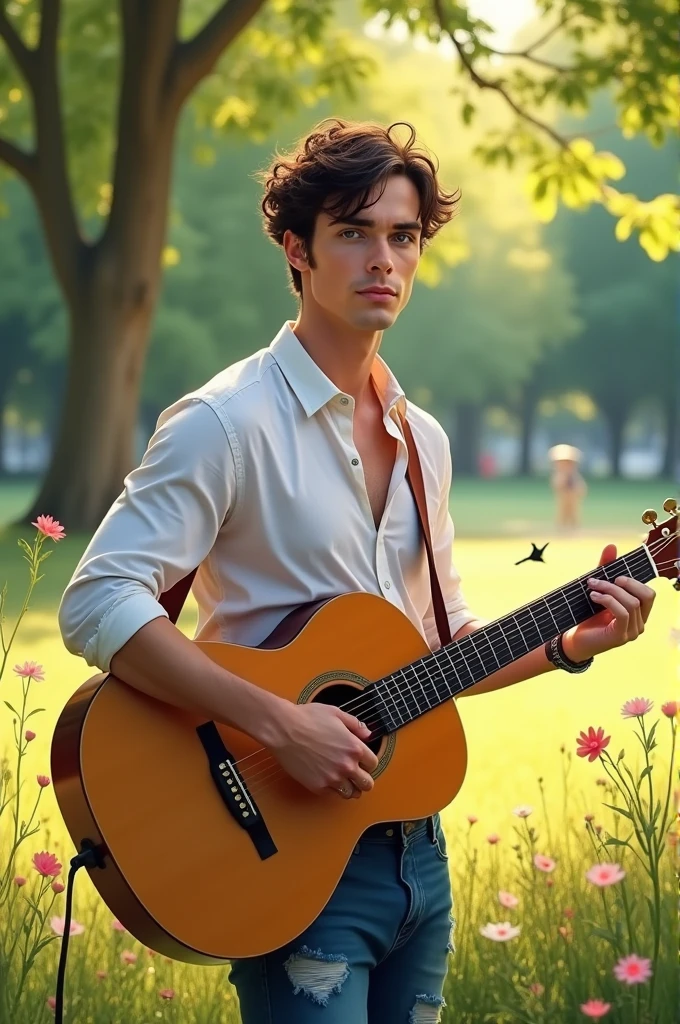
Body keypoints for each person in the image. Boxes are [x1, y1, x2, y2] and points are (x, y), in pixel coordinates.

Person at [58, 118, 656, 1024]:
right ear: (297, 250)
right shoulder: (226, 423)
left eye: (403, 236)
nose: (384, 259)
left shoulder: (427, 443)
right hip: (282, 848)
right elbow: (97, 601)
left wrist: (573, 641)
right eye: (353, 232)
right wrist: (282, 724)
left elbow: (445, 647)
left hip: (417, 855)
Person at [549, 443, 587, 530]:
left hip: (572, 493)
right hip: (564, 494)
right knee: (562, 512)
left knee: (573, 512)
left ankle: (573, 529)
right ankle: (562, 528)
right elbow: (557, 484)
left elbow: (579, 485)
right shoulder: (559, 474)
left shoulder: (574, 475)